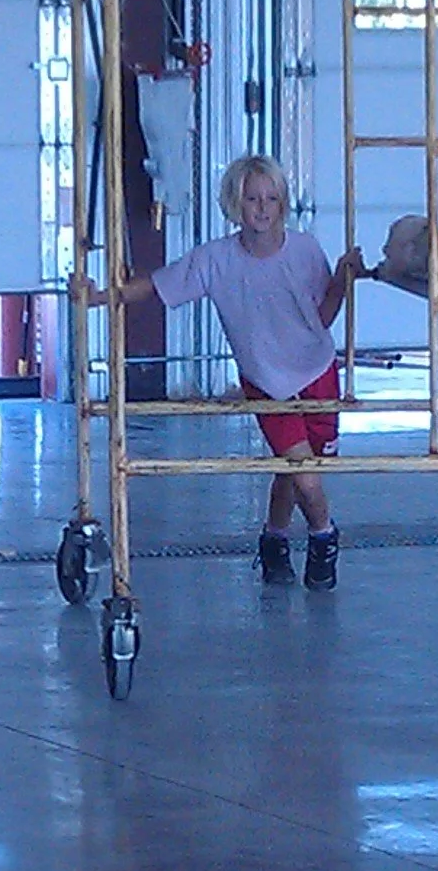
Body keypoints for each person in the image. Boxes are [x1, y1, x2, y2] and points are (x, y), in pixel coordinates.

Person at [113, 155, 364, 588]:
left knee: (294, 470)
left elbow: (322, 316)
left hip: (317, 370)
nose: (262, 208)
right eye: (252, 199)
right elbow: (156, 285)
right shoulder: (216, 259)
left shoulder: (305, 250)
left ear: (283, 203)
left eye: (271, 198)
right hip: (267, 382)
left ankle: (274, 539)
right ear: (235, 203)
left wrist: (341, 279)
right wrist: (104, 296)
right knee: (304, 476)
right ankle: (324, 536)